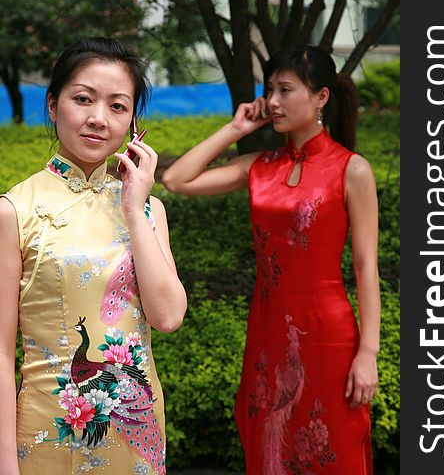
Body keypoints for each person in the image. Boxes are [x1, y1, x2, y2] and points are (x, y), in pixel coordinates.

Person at [162, 45, 380, 474]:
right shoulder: (258, 166)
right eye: (270, 90)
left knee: (333, 446)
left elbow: (365, 267)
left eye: (286, 89)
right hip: (267, 335)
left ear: (320, 97)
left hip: (329, 336)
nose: (274, 101)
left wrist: (368, 353)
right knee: (268, 444)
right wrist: (236, 128)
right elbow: (175, 179)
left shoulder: (351, 170)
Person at [0, 38, 187, 475]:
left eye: (118, 106)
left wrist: (134, 207)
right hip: (46, 440)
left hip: (135, 437)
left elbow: (169, 316)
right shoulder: (14, 212)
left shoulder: (147, 209)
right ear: (52, 104)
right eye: (82, 99)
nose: (98, 119)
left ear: (133, 122)